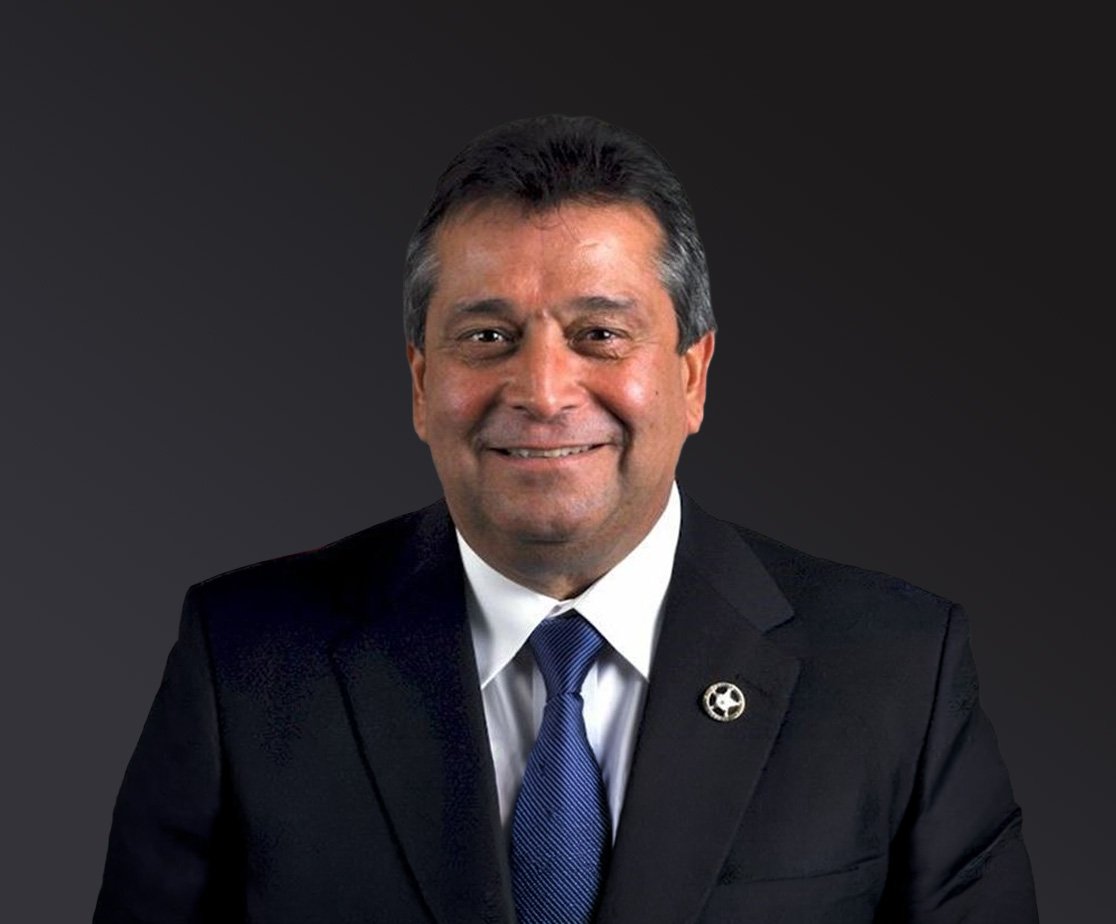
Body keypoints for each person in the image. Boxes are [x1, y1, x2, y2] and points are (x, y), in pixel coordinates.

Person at [94, 114, 1038, 923]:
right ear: (421, 383)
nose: (543, 391)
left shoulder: (895, 672)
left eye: (600, 335)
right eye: (488, 336)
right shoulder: (246, 662)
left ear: (692, 376)